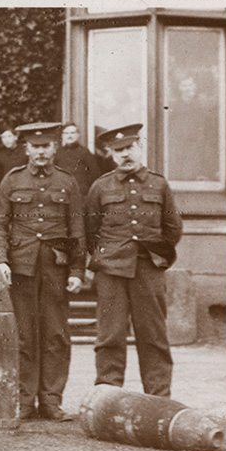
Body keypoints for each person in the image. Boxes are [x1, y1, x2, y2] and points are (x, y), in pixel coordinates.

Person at [0, 122, 86, 421]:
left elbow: (77, 229)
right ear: (26, 149)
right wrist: (1, 260)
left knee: (56, 335)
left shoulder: (67, 182)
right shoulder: (12, 180)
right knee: (24, 336)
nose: (41, 151)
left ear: (54, 148)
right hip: (22, 268)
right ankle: (24, 400)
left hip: (55, 269)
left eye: (46, 146)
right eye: (36, 146)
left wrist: (76, 270)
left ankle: (51, 401)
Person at [84, 123, 183, 397]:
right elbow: (90, 231)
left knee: (153, 335)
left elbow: (173, 228)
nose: (125, 154)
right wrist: (105, 258)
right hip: (111, 272)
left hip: (148, 270)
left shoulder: (159, 184)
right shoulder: (100, 186)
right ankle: (107, 396)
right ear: (111, 155)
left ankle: (158, 396)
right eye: (118, 150)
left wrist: (157, 256)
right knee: (109, 336)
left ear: (139, 147)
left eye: (129, 148)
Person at [55, 122, 102, 197]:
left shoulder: (85, 152)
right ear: (62, 136)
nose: (69, 136)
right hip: (62, 193)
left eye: (72, 133)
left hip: (81, 194)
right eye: (66, 133)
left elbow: (95, 173)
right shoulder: (57, 153)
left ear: (78, 135)